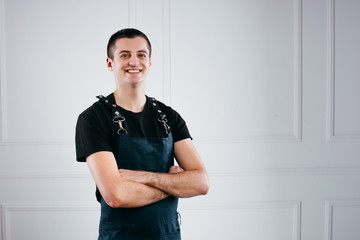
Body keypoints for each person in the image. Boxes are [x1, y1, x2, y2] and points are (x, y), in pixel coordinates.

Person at [75, 28, 209, 240]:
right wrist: (174, 186)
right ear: (110, 63)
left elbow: (200, 183)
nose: (134, 62)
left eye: (141, 54)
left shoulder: (169, 117)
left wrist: (143, 177)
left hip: (168, 235)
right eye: (125, 55)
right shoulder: (93, 119)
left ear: (150, 62)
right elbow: (116, 195)